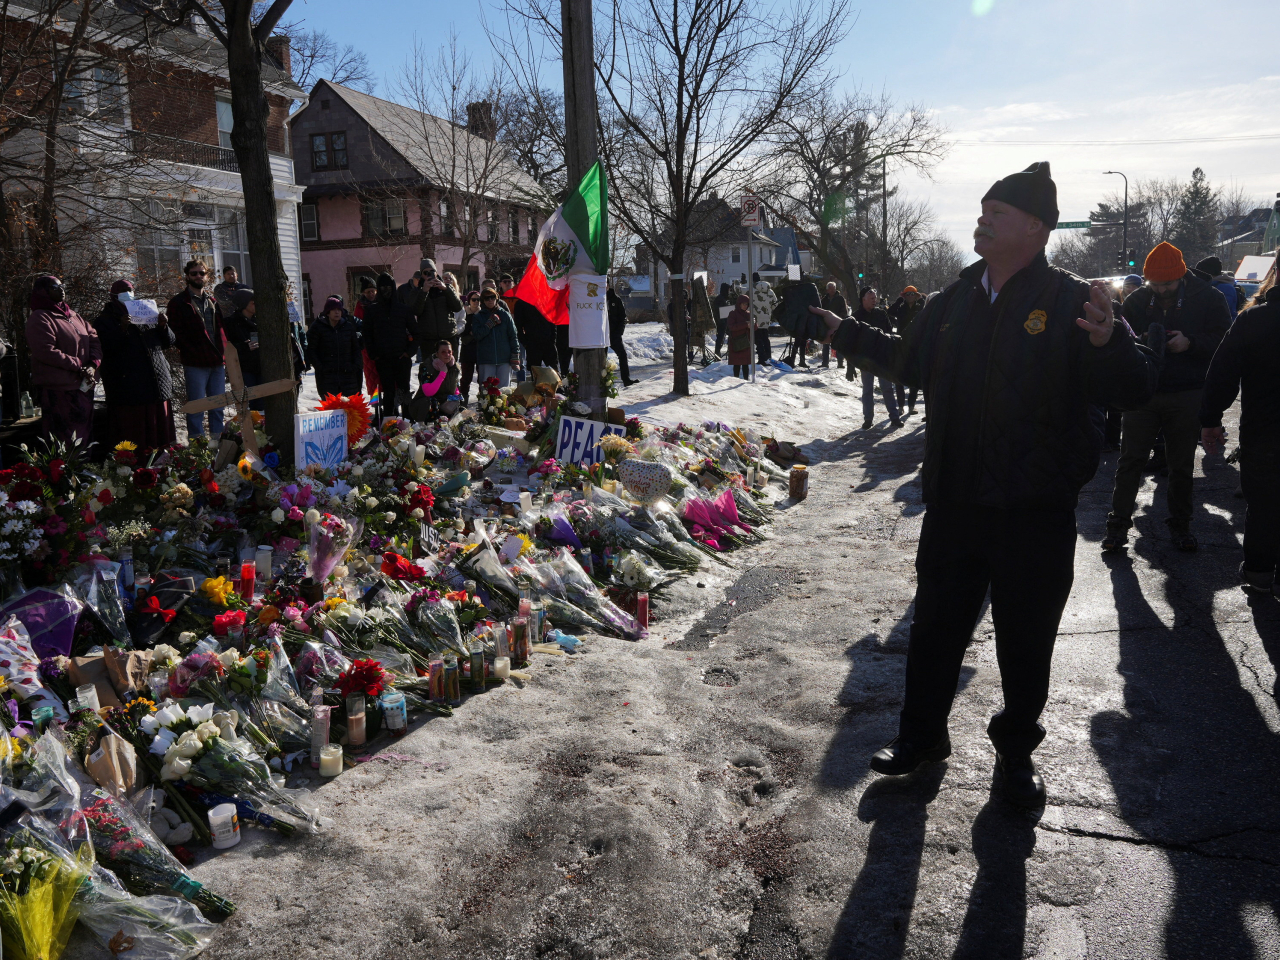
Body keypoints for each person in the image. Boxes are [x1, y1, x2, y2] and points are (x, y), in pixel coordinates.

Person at [809, 161, 1157, 807]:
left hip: (1035, 508)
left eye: (997, 212)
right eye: (982, 210)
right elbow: (909, 362)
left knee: (1027, 640)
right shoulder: (953, 301)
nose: (982, 220)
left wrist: (1110, 343)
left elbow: (1134, 388)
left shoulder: (1072, 301)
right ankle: (921, 737)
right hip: (956, 499)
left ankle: (1016, 752)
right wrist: (845, 331)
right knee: (936, 628)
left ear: (1036, 227)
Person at [1101, 241, 1231, 553]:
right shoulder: (1137, 299)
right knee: (1130, 461)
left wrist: (1191, 343)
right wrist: (1141, 342)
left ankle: (1181, 525)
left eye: (1167, 284)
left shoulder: (1208, 298)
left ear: (1181, 275)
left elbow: (1225, 342)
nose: (1160, 290)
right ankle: (1117, 527)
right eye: (1154, 284)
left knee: (1181, 465)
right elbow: (1121, 340)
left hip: (1187, 392)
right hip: (1143, 393)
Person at [1201, 266, 1278, 593]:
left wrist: (1210, 419)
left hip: (1264, 432)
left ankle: (1259, 573)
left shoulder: (1254, 319)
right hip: (1263, 432)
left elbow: (1223, 373)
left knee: (1263, 506)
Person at [93, 279, 176, 449]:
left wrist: (163, 327)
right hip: (129, 390)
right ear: (113, 295)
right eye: (123, 291)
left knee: (160, 434)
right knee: (135, 434)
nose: (128, 294)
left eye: (130, 290)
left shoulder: (145, 312)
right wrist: (122, 328)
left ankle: (163, 461)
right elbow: (105, 348)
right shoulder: (104, 320)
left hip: (156, 385)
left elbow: (168, 342)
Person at [26, 274, 101, 447]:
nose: (61, 290)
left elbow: (94, 340)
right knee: (65, 442)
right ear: (43, 292)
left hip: (83, 387)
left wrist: (92, 365)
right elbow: (45, 351)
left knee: (85, 440)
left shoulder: (73, 316)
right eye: (55, 287)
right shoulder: (40, 318)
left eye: (62, 286)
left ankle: (84, 464)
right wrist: (79, 365)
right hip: (59, 391)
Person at [167, 259, 226, 439]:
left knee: (218, 406)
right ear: (187, 276)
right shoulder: (178, 302)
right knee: (196, 408)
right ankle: (197, 447)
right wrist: (192, 351)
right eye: (194, 273)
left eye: (202, 273)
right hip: (195, 363)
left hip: (217, 362)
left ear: (207, 276)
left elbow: (221, 331)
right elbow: (175, 334)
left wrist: (223, 354)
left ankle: (217, 445)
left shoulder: (212, 301)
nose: (198, 276)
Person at [361, 272, 419, 417]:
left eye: (388, 287)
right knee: (388, 392)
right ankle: (389, 421)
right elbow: (367, 335)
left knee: (404, 390)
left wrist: (409, 352)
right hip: (383, 359)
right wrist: (374, 354)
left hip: (402, 358)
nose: (385, 290)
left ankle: (407, 420)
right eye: (382, 287)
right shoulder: (372, 310)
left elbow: (416, 332)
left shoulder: (403, 309)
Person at [852, 287, 902, 430]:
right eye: (872, 298)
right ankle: (868, 419)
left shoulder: (881, 314)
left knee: (887, 388)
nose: (875, 301)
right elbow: (851, 341)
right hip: (866, 360)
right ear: (864, 299)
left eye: (875, 298)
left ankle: (894, 417)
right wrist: (851, 363)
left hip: (882, 358)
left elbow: (889, 334)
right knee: (867, 390)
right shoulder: (856, 317)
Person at [402, 258, 463, 359]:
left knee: (450, 368)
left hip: (448, 338)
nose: (429, 274)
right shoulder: (416, 291)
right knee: (430, 368)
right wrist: (424, 291)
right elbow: (416, 311)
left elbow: (457, 307)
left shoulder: (447, 287)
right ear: (421, 275)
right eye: (426, 272)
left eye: (432, 271)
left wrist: (446, 289)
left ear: (436, 272)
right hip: (428, 340)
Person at [306, 296, 363, 398]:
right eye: (334, 309)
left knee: (350, 405)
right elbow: (311, 350)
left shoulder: (348, 327)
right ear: (328, 312)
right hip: (327, 376)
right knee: (331, 405)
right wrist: (320, 368)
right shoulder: (318, 327)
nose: (337, 312)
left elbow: (356, 349)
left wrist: (355, 366)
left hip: (348, 376)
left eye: (339, 310)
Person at [221, 288, 263, 407]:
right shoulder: (230, 323)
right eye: (253, 302)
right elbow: (226, 347)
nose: (256, 305)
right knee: (248, 403)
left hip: (261, 368)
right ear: (243, 304)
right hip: (243, 370)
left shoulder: (260, 321)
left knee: (263, 403)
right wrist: (244, 347)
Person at [473, 287, 520, 388]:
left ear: (497, 298)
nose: (490, 300)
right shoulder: (478, 317)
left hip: (504, 359)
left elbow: (513, 336)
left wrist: (515, 356)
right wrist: (488, 325)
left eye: (492, 297)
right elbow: (477, 335)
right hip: (486, 359)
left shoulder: (505, 315)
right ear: (483, 300)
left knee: (504, 390)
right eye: (487, 298)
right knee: (486, 390)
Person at [888, 286, 925, 414]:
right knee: (899, 376)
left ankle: (911, 406)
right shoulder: (901, 308)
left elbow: (926, 311)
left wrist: (921, 299)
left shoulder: (919, 308)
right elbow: (890, 311)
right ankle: (901, 406)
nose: (910, 296)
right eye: (907, 294)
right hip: (901, 344)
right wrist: (899, 299)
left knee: (914, 376)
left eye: (912, 294)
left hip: (915, 344)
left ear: (916, 295)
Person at [407, 340, 462, 422]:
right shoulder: (427, 367)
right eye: (443, 352)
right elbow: (428, 392)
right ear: (437, 354)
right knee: (432, 403)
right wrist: (442, 373)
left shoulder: (454, 368)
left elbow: (455, 388)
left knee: (462, 412)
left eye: (449, 352)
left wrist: (455, 399)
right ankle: (425, 427)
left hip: (444, 403)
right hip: (424, 405)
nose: (447, 354)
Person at [352, 275, 380, 400]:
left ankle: (388, 405)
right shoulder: (361, 306)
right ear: (364, 293)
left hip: (382, 344)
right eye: (368, 292)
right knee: (372, 378)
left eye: (373, 291)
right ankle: (375, 403)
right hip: (367, 346)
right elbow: (358, 325)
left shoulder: (381, 303)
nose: (371, 294)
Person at [607, 281, 636, 386]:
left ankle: (626, 379)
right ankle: (602, 382)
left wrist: (619, 332)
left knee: (622, 355)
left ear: (608, 285)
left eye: (606, 284)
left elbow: (623, 317)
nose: (604, 287)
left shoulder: (616, 299)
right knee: (600, 358)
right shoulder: (596, 299)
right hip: (600, 335)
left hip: (614, 333)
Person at [457, 290, 481, 402]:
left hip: (480, 349)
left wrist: (473, 332)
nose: (476, 302)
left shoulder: (482, 314)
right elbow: (461, 329)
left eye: (478, 299)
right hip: (467, 348)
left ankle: (483, 399)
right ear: (469, 301)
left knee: (482, 377)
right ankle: (463, 398)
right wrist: (471, 332)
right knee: (466, 377)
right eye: (473, 299)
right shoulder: (464, 313)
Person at [820, 281, 849, 369]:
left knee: (838, 343)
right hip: (826, 324)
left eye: (833, 289)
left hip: (837, 323)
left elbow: (844, 311)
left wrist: (840, 320)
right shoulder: (824, 300)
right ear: (827, 290)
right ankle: (825, 362)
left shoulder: (840, 299)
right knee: (825, 343)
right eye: (830, 289)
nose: (832, 291)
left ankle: (840, 363)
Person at [725, 294, 753, 379]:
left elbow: (754, 329)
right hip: (736, 342)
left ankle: (746, 380)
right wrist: (745, 324)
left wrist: (754, 324)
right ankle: (736, 380)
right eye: (743, 304)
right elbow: (731, 327)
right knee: (736, 364)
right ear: (739, 303)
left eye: (747, 304)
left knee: (745, 364)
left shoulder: (749, 314)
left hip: (746, 342)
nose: (745, 306)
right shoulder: (733, 314)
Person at [750, 275, 776, 367]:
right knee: (765, 339)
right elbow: (775, 305)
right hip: (766, 319)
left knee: (758, 340)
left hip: (755, 320)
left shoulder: (751, 290)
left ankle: (761, 359)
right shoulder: (770, 291)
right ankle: (768, 357)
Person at [713, 282, 734, 358]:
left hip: (724, 321)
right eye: (728, 290)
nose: (729, 291)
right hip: (721, 322)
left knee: (723, 338)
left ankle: (719, 352)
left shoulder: (724, 299)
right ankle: (717, 353)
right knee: (720, 338)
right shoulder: (720, 299)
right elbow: (718, 311)